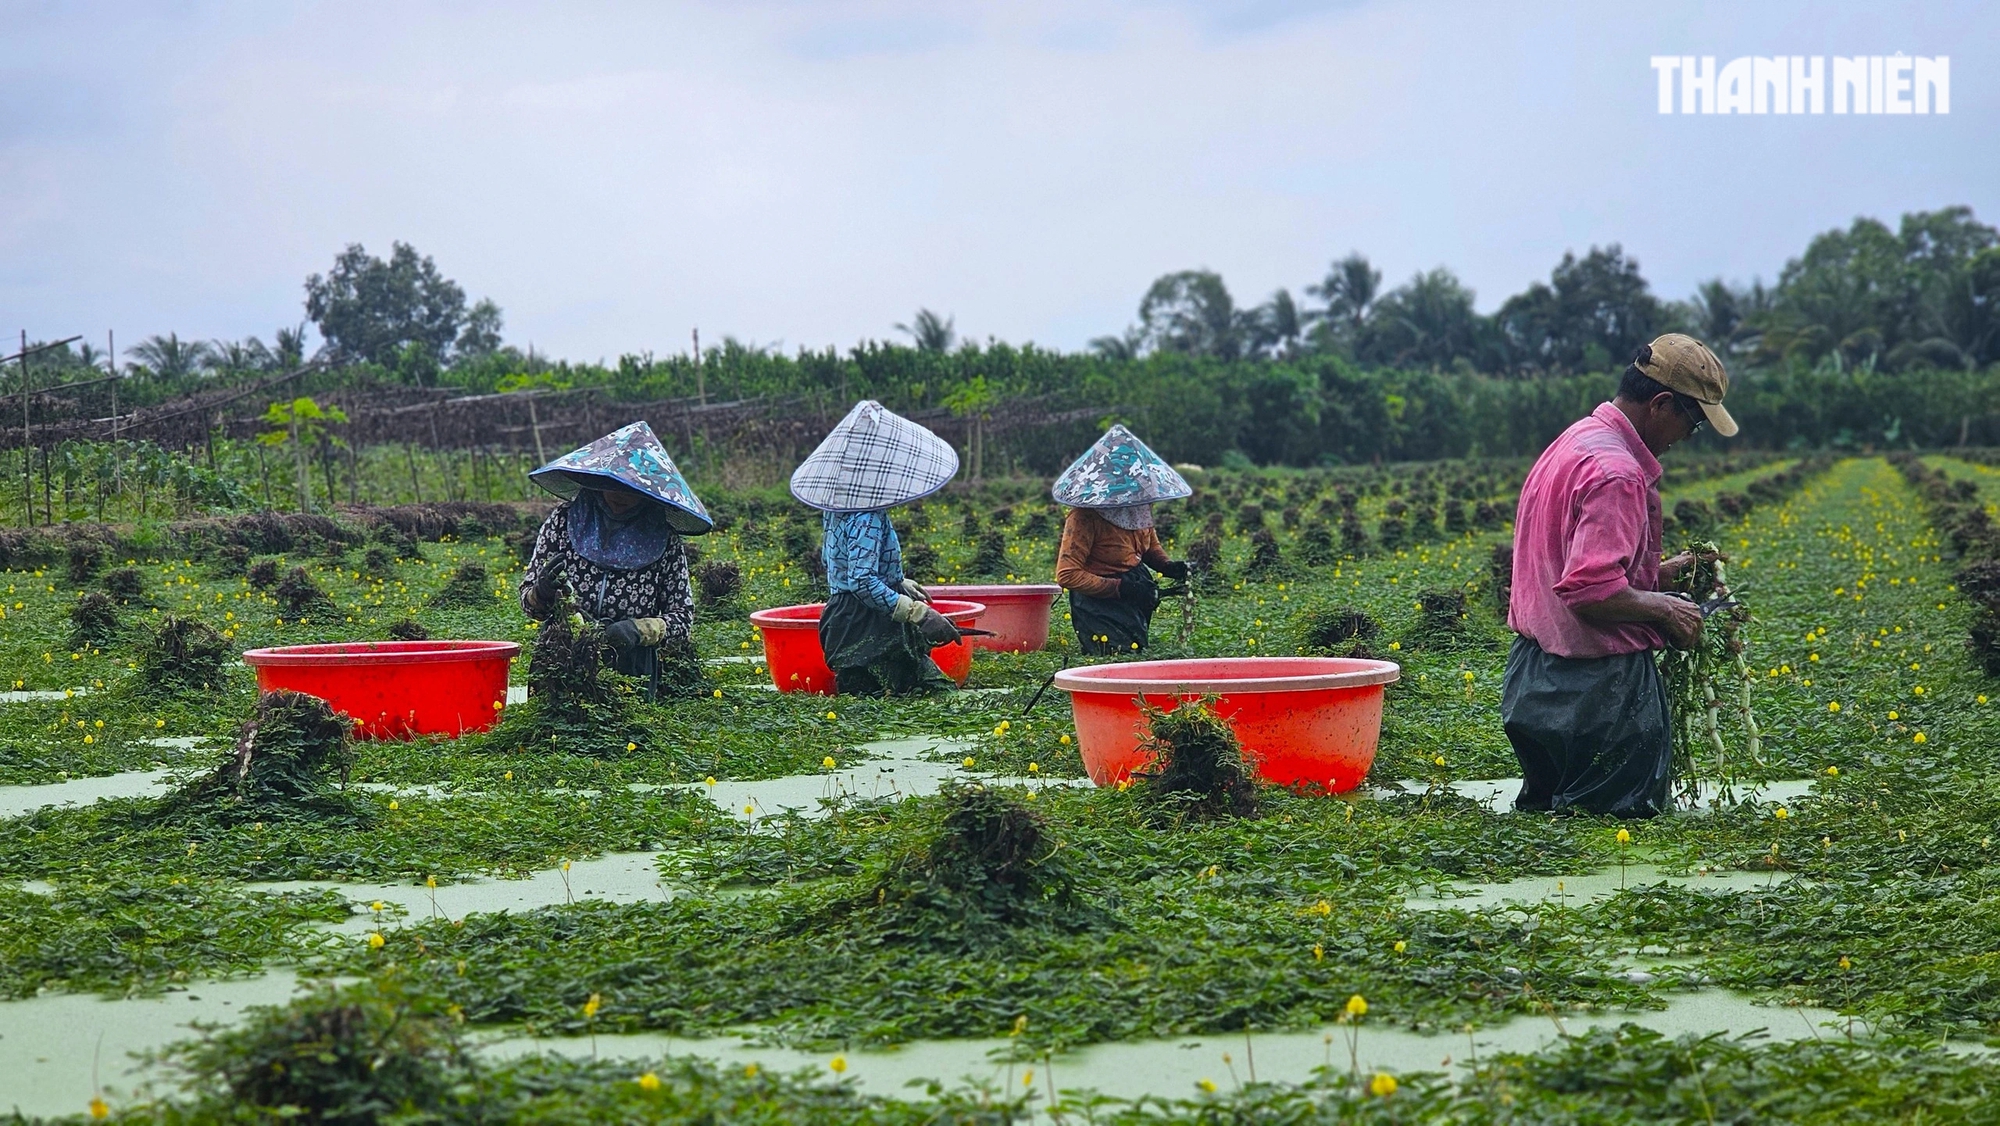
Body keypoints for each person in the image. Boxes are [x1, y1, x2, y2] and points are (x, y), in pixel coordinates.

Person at [1503, 333, 1737, 818]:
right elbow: (1589, 590)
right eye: (1692, 425)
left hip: (1533, 681)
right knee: (1619, 845)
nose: (1686, 440)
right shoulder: (1618, 472)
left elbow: (1570, 564)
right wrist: (1665, 608)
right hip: (1598, 696)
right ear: (1661, 403)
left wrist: (1662, 574)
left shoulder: (1575, 440)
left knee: (1553, 846)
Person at [519, 421, 714, 697]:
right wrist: (541, 592)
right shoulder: (564, 521)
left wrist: (639, 629)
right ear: (598, 480)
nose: (620, 494)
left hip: (631, 669)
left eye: (631, 487)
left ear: (649, 491)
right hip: (561, 658)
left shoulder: (664, 539)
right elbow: (530, 606)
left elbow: (682, 619)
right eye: (614, 483)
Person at [790, 400, 964, 696]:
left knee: (886, 691)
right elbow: (861, 581)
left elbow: (837, 561)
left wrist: (898, 583)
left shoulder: (836, 507)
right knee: (908, 692)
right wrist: (917, 614)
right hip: (865, 621)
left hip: (845, 615)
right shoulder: (866, 516)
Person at [1051, 425, 1193, 655]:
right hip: (1098, 602)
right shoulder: (1085, 516)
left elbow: (1149, 545)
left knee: (1137, 651)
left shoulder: (1139, 507)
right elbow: (1067, 574)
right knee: (1115, 655)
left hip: (1135, 588)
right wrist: (1120, 588)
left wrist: (1167, 566)